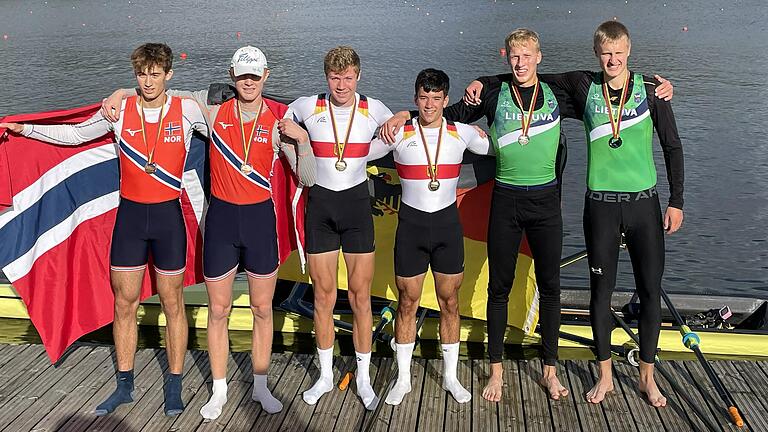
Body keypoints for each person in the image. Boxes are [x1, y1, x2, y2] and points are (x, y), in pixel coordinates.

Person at [380, 29, 674, 403]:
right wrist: (406, 111)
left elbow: (607, 83)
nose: (521, 64)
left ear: (539, 57)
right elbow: (445, 113)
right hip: (506, 201)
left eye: (527, 56)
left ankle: (550, 372)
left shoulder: (560, 93)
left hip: (547, 205)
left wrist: (657, 87)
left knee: (550, 288)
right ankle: (496, 372)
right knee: (498, 288)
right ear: (507, 57)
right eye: (514, 57)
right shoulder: (492, 93)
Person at [465, 21, 684, 407]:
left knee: (650, 293)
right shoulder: (584, 87)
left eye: (618, 53)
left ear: (629, 51)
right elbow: (527, 74)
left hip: (644, 206)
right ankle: (605, 377)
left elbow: (673, 147)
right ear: (597, 54)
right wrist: (484, 80)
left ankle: (648, 378)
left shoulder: (652, 91)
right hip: (599, 205)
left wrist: (676, 200)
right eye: (605, 54)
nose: (612, 60)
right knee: (601, 293)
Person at [100, 46, 316, 419]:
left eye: (255, 75)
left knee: (262, 308)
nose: (248, 82)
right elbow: (162, 94)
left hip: (260, 222)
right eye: (242, 75)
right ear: (232, 75)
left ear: (266, 76)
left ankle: (261, 387)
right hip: (221, 223)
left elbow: (308, 177)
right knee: (219, 309)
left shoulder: (279, 121)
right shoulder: (211, 111)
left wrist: (303, 140)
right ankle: (219, 390)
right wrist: (120, 93)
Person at [1, 43, 209, 416]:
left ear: (169, 75)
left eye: (155, 74)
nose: (148, 81)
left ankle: (174, 384)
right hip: (130, 221)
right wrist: (26, 129)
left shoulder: (188, 110)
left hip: (168, 222)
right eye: (141, 74)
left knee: (172, 304)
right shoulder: (119, 111)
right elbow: (76, 136)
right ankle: (124, 385)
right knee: (124, 304)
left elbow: (228, 116)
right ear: (136, 75)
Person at [367, 68, 492, 405]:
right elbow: (355, 154)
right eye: (424, 98)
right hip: (411, 228)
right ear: (415, 98)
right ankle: (403, 379)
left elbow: (506, 146)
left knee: (450, 302)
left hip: (448, 228)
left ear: (446, 100)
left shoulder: (464, 133)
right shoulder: (398, 132)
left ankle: (451, 377)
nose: (430, 104)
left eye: (437, 98)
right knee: (407, 302)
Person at [286, 46, 394, 409]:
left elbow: (397, 129)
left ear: (358, 76)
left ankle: (363, 379)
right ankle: (326, 376)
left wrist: (367, 150)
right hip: (321, 208)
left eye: (348, 77)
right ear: (326, 77)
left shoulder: (373, 108)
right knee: (323, 297)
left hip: (356, 208)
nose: (341, 84)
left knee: (360, 297)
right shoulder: (306, 105)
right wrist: (300, 141)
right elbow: (280, 126)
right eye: (335, 77)